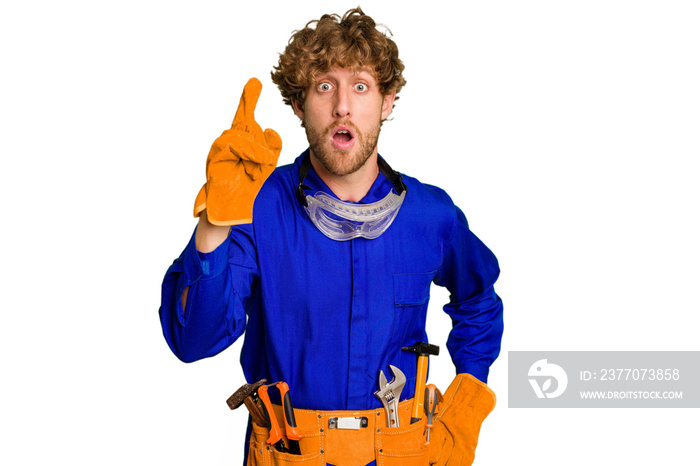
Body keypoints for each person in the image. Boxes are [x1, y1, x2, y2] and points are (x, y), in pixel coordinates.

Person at [160, 7, 503, 466]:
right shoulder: (256, 205)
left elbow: (478, 300)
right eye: (325, 86)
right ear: (299, 105)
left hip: (402, 454)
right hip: (289, 455)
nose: (342, 105)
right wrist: (214, 224)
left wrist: (466, 402)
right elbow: (193, 343)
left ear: (386, 101)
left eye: (360, 86)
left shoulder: (430, 215)